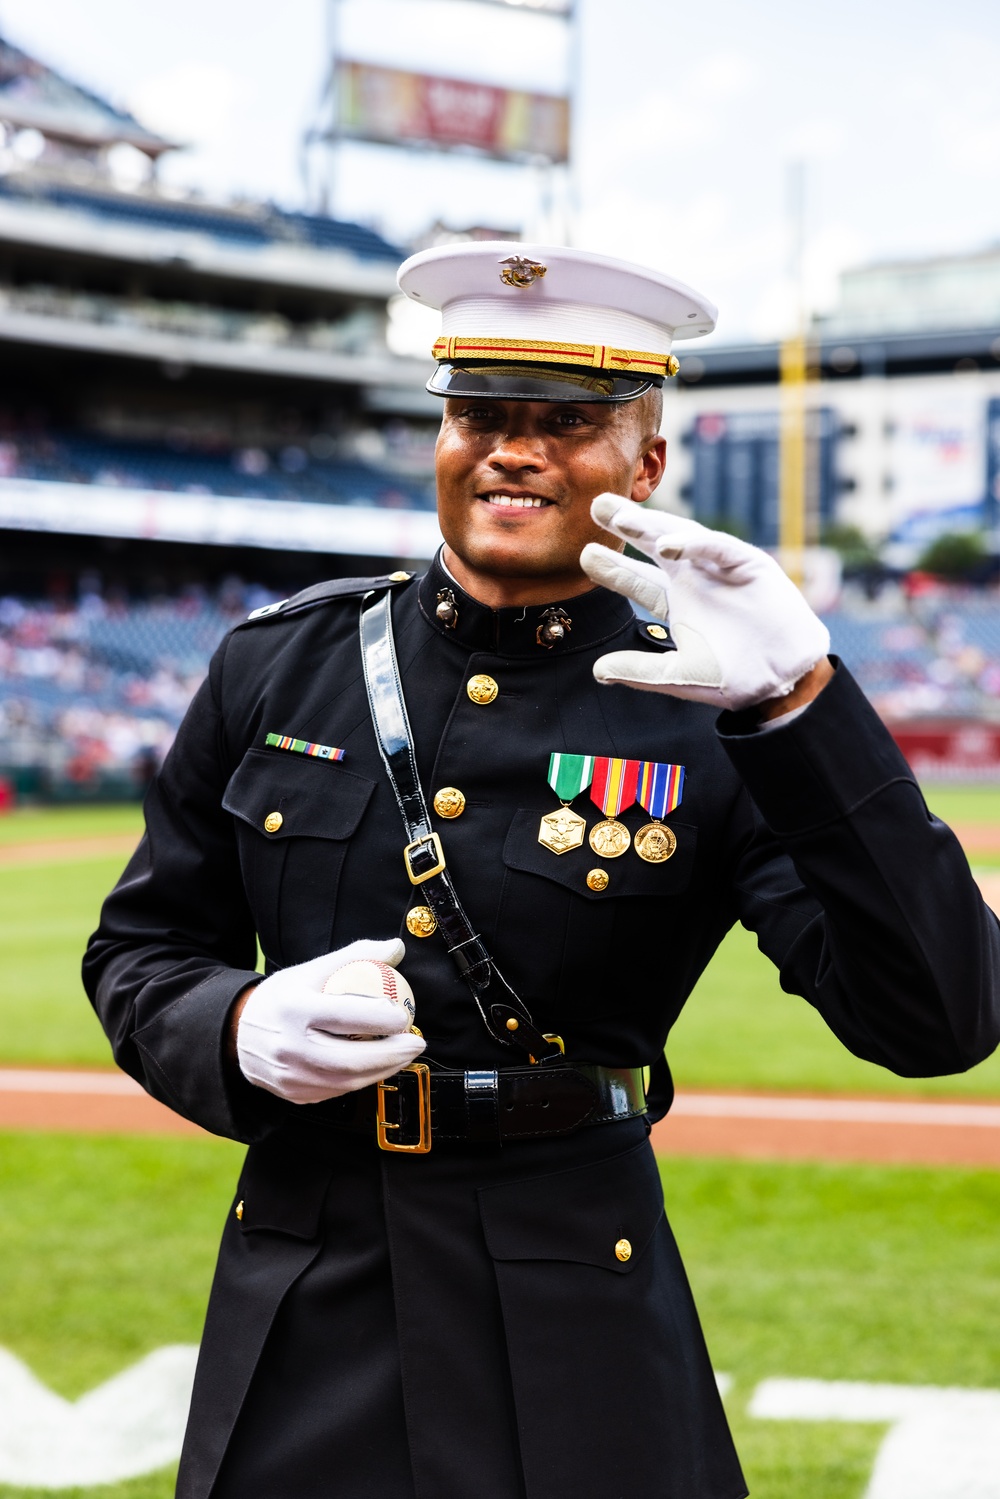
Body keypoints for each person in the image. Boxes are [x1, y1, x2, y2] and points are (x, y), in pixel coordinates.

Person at [84, 242, 1000, 1499]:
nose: (511, 449)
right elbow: (138, 949)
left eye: (566, 423)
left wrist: (802, 705)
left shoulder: (711, 700)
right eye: (479, 415)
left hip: (575, 1298)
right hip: (305, 1282)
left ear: (647, 463)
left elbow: (936, 1017)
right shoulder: (273, 666)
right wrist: (232, 1020)